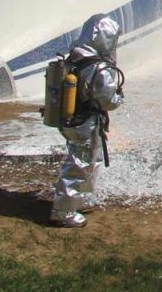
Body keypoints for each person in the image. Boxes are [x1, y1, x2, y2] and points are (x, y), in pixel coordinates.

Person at [50, 14, 124, 228]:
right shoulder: (98, 67)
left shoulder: (75, 55)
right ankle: (63, 211)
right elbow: (108, 99)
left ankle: (82, 198)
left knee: (92, 158)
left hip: (71, 119)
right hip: (87, 123)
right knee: (80, 164)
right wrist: (119, 98)